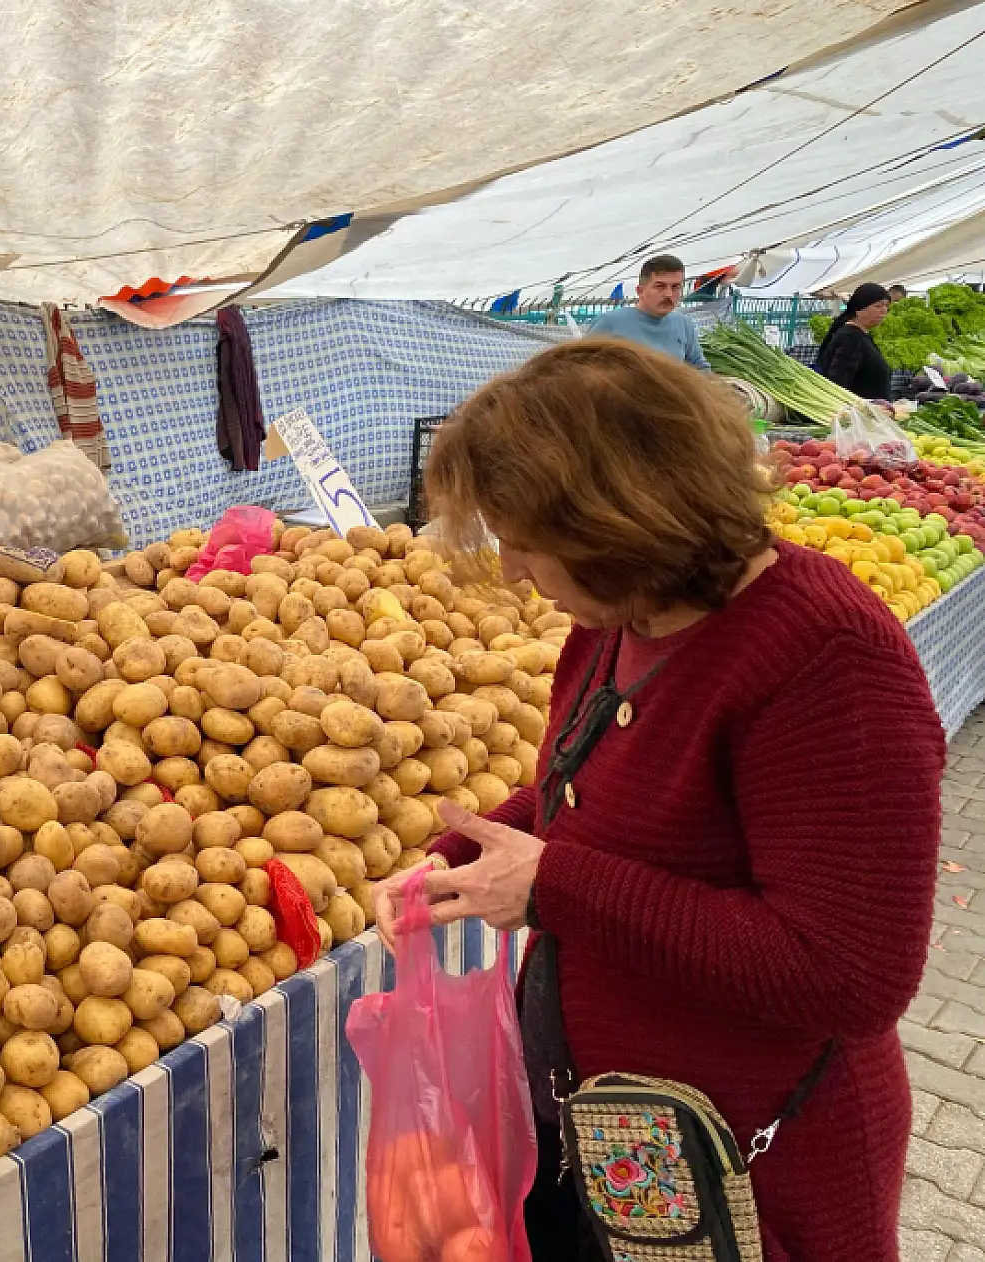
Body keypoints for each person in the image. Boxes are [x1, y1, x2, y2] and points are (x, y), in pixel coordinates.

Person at [375, 340, 943, 1262]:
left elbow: (853, 975)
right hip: (612, 1145)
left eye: (525, 542)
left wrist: (553, 886)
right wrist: (473, 851)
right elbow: (587, 799)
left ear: (616, 519)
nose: (513, 571)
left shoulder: (827, 656)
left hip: (746, 1174)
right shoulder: (624, 617)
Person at [588, 254, 709, 369]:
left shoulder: (683, 324)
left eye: (675, 287)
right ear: (640, 291)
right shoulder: (610, 323)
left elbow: (699, 367)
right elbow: (584, 367)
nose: (668, 294)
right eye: (660, 286)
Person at [815, 283, 893, 401]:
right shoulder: (850, 338)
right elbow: (838, 382)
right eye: (878, 306)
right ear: (859, 309)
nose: (884, 311)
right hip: (856, 410)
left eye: (886, 306)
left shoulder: (861, 335)